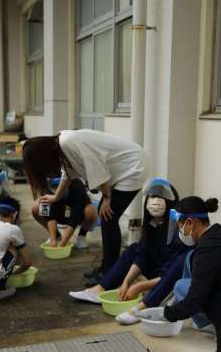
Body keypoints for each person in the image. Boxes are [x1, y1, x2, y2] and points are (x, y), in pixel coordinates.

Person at [139, 196, 221, 352]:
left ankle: (211, 326)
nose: (180, 232)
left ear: (190, 223)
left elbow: (194, 300)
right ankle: (195, 316)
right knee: (189, 257)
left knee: (180, 287)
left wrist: (167, 314)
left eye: (180, 226)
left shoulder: (208, 251)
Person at [23, 129, 147, 282]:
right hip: (121, 169)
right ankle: (106, 268)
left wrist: (107, 196)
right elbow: (67, 173)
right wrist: (56, 197)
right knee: (107, 216)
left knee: (108, 217)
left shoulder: (68, 142)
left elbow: (96, 166)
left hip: (132, 167)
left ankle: (110, 273)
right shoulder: (63, 148)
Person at [69, 177, 188, 325]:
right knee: (133, 249)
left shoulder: (179, 229)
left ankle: (143, 308)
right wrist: (126, 282)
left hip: (170, 276)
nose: (155, 201)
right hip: (157, 271)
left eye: (160, 197)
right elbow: (141, 257)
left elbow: (171, 272)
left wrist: (138, 286)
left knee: (179, 265)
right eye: (151, 196)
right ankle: (100, 289)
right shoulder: (151, 225)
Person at [31, 177, 97, 249]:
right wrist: (53, 240)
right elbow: (48, 214)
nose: (56, 190)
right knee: (36, 208)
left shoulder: (77, 186)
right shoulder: (47, 185)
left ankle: (82, 236)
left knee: (90, 211)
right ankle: (56, 236)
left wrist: (63, 243)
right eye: (54, 188)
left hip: (78, 213)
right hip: (61, 211)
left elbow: (75, 217)